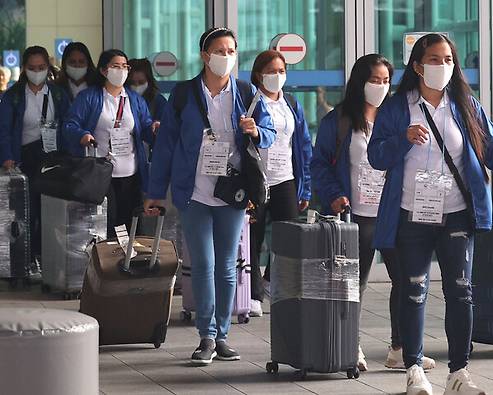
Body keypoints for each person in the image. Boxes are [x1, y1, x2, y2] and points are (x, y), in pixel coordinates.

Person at [367, 33, 493, 395]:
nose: (441, 66)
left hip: (457, 213)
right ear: (417, 66)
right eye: (433, 59)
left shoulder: (466, 105)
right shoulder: (398, 108)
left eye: (447, 59)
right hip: (411, 214)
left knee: (461, 292)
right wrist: (403, 138)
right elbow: (376, 156)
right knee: (414, 290)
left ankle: (459, 373)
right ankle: (414, 369)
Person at [144, 27, 276, 365]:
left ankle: (223, 335)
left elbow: (268, 133)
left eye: (232, 50)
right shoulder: (185, 94)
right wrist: (155, 192)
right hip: (194, 191)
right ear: (205, 55)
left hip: (232, 191)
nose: (226, 56)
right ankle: (206, 336)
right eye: (220, 50)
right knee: (203, 264)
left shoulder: (246, 91)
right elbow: (167, 145)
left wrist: (256, 130)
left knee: (227, 266)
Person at [311, 53, 436, 373]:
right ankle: (350, 345)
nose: (380, 87)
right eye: (373, 80)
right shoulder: (338, 121)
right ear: (358, 82)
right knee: (355, 282)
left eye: (385, 81)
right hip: (356, 213)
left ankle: (400, 346)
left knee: (405, 280)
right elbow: (320, 164)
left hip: (393, 210)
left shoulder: (397, 118)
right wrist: (334, 195)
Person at [247, 49, 312, 317]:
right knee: (254, 237)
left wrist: (305, 184)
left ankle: (272, 282)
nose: (277, 76)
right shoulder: (250, 101)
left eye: (281, 71)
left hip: (285, 177)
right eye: (271, 71)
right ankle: (251, 293)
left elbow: (304, 145)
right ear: (259, 74)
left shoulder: (292, 103)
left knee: (289, 235)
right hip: (257, 178)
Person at [63, 49, 154, 238]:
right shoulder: (90, 97)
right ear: (104, 71)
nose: (121, 70)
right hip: (102, 173)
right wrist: (83, 135)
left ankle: (129, 260)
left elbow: (145, 127)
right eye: (115, 66)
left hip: (131, 172)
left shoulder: (134, 100)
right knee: (108, 222)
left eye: (124, 66)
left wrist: (154, 128)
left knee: (131, 222)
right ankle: (108, 262)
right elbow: (70, 124)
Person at [0, 46, 70, 266]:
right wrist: (7, 157)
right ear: (24, 68)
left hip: (52, 157)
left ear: (47, 68)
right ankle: (25, 260)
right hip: (24, 159)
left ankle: (47, 259)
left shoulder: (58, 94)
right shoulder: (14, 96)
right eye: (32, 68)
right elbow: (4, 130)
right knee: (26, 211)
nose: (37, 72)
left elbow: (68, 125)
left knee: (51, 210)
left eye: (41, 67)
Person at [127, 58, 167, 122]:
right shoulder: (120, 99)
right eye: (132, 83)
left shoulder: (158, 101)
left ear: (149, 81)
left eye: (141, 82)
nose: (137, 86)